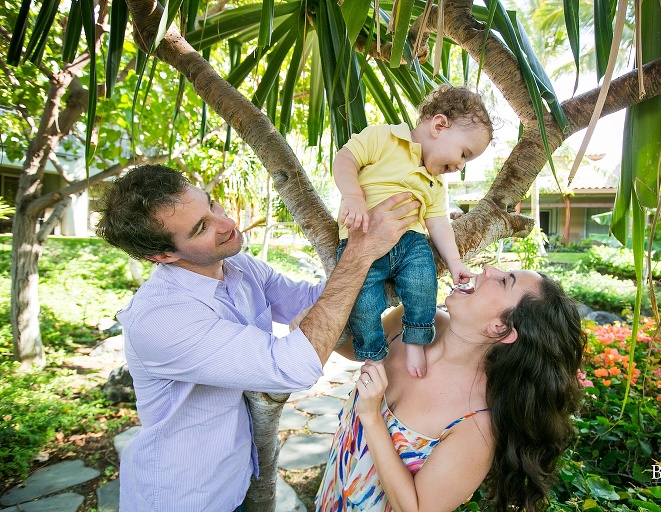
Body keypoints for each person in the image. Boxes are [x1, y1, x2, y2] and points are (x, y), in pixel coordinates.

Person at [94, 164, 420, 512]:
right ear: (163, 255)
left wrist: (402, 268)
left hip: (239, 478)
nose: (228, 222)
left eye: (212, 205)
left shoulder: (240, 268)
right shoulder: (160, 318)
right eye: (202, 227)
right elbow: (293, 367)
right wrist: (359, 253)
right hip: (183, 495)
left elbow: (315, 302)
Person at [315, 266, 586, 512]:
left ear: (500, 327)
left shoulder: (477, 423)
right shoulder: (416, 321)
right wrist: (317, 318)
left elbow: (416, 509)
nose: (489, 269)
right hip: (330, 499)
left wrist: (372, 418)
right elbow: (352, 346)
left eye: (505, 281)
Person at [334, 84, 493, 378]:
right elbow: (345, 159)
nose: (460, 166)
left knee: (424, 282)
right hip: (362, 237)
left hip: (411, 243)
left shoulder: (436, 183)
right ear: (439, 125)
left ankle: (417, 339)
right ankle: (373, 355)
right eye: (464, 154)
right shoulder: (383, 137)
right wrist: (354, 197)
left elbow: (439, 223)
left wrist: (456, 263)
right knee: (362, 302)